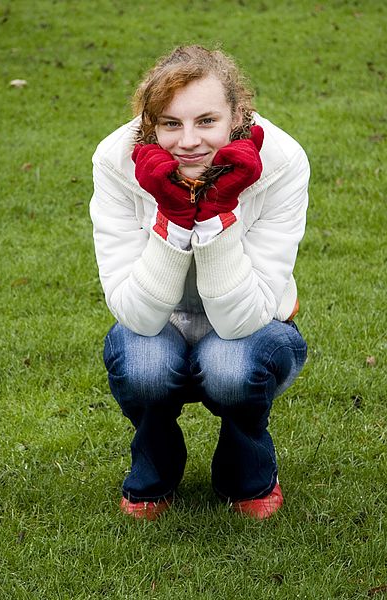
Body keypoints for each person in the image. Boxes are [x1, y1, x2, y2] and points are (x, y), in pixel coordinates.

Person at [90, 45, 310, 520]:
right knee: (144, 362)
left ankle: (246, 473)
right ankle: (156, 468)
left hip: (254, 324)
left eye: (206, 121)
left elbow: (243, 320)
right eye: (170, 123)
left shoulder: (283, 160)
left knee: (230, 365)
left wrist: (214, 216)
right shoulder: (114, 160)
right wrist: (171, 217)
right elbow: (137, 314)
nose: (188, 141)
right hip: (159, 321)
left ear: (236, 116)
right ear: (150, 125)